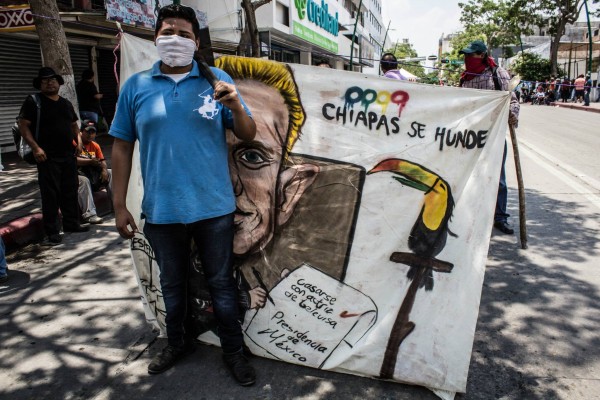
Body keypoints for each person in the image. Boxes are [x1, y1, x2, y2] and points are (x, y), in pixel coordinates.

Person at [109, 4, 257, 385]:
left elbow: (247, 133)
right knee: (172, 284)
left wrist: (236, 105)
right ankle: (177, 342)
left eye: (184, 34)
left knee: (221, 284)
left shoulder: (217, 80)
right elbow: (122, 147)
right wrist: (118, 204)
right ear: (155, 37)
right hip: (161, 210)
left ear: (196, 43)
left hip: (214, 208)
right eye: (167, 32)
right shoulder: (136, 87)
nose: (175, 39)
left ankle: (234, 352)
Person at [18, 67, 89, 246]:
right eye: (45, 80)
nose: (50, 83)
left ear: (58, 83)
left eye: (53, 80)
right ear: (40, 84)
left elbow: (74, 125)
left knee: (70, 190)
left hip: (68, 155)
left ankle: (72, 223)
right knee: (50, 194)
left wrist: (79, 141)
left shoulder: (65, 103)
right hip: (47, 156)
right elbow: (23, 126)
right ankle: (52, 231)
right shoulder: (34, 101)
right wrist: (35, 148)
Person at [458, 40, 519, 235]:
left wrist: (510, 114)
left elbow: (512, 100)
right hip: (470, 137)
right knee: (470, 176)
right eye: (466, 55)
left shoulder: (497, 73)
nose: (468, 59)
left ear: (482, 55)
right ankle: (472, 215)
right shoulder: (465, 78)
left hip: (494, 135)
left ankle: (500, 217)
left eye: (472, 55)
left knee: (498, 179)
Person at [77, 119, 111, 225]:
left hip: (93, 176)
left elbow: (102, 160)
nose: (90, 135)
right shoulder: (75, 143)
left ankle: (116, 205)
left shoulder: (95, 145)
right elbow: (73, 160)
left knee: (111, 173)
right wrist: (90, 161)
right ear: (81, 132)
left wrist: (104, 170)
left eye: (93, 132)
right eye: (88, 132)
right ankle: (89, 214)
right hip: (78, 175)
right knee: (84, 180)